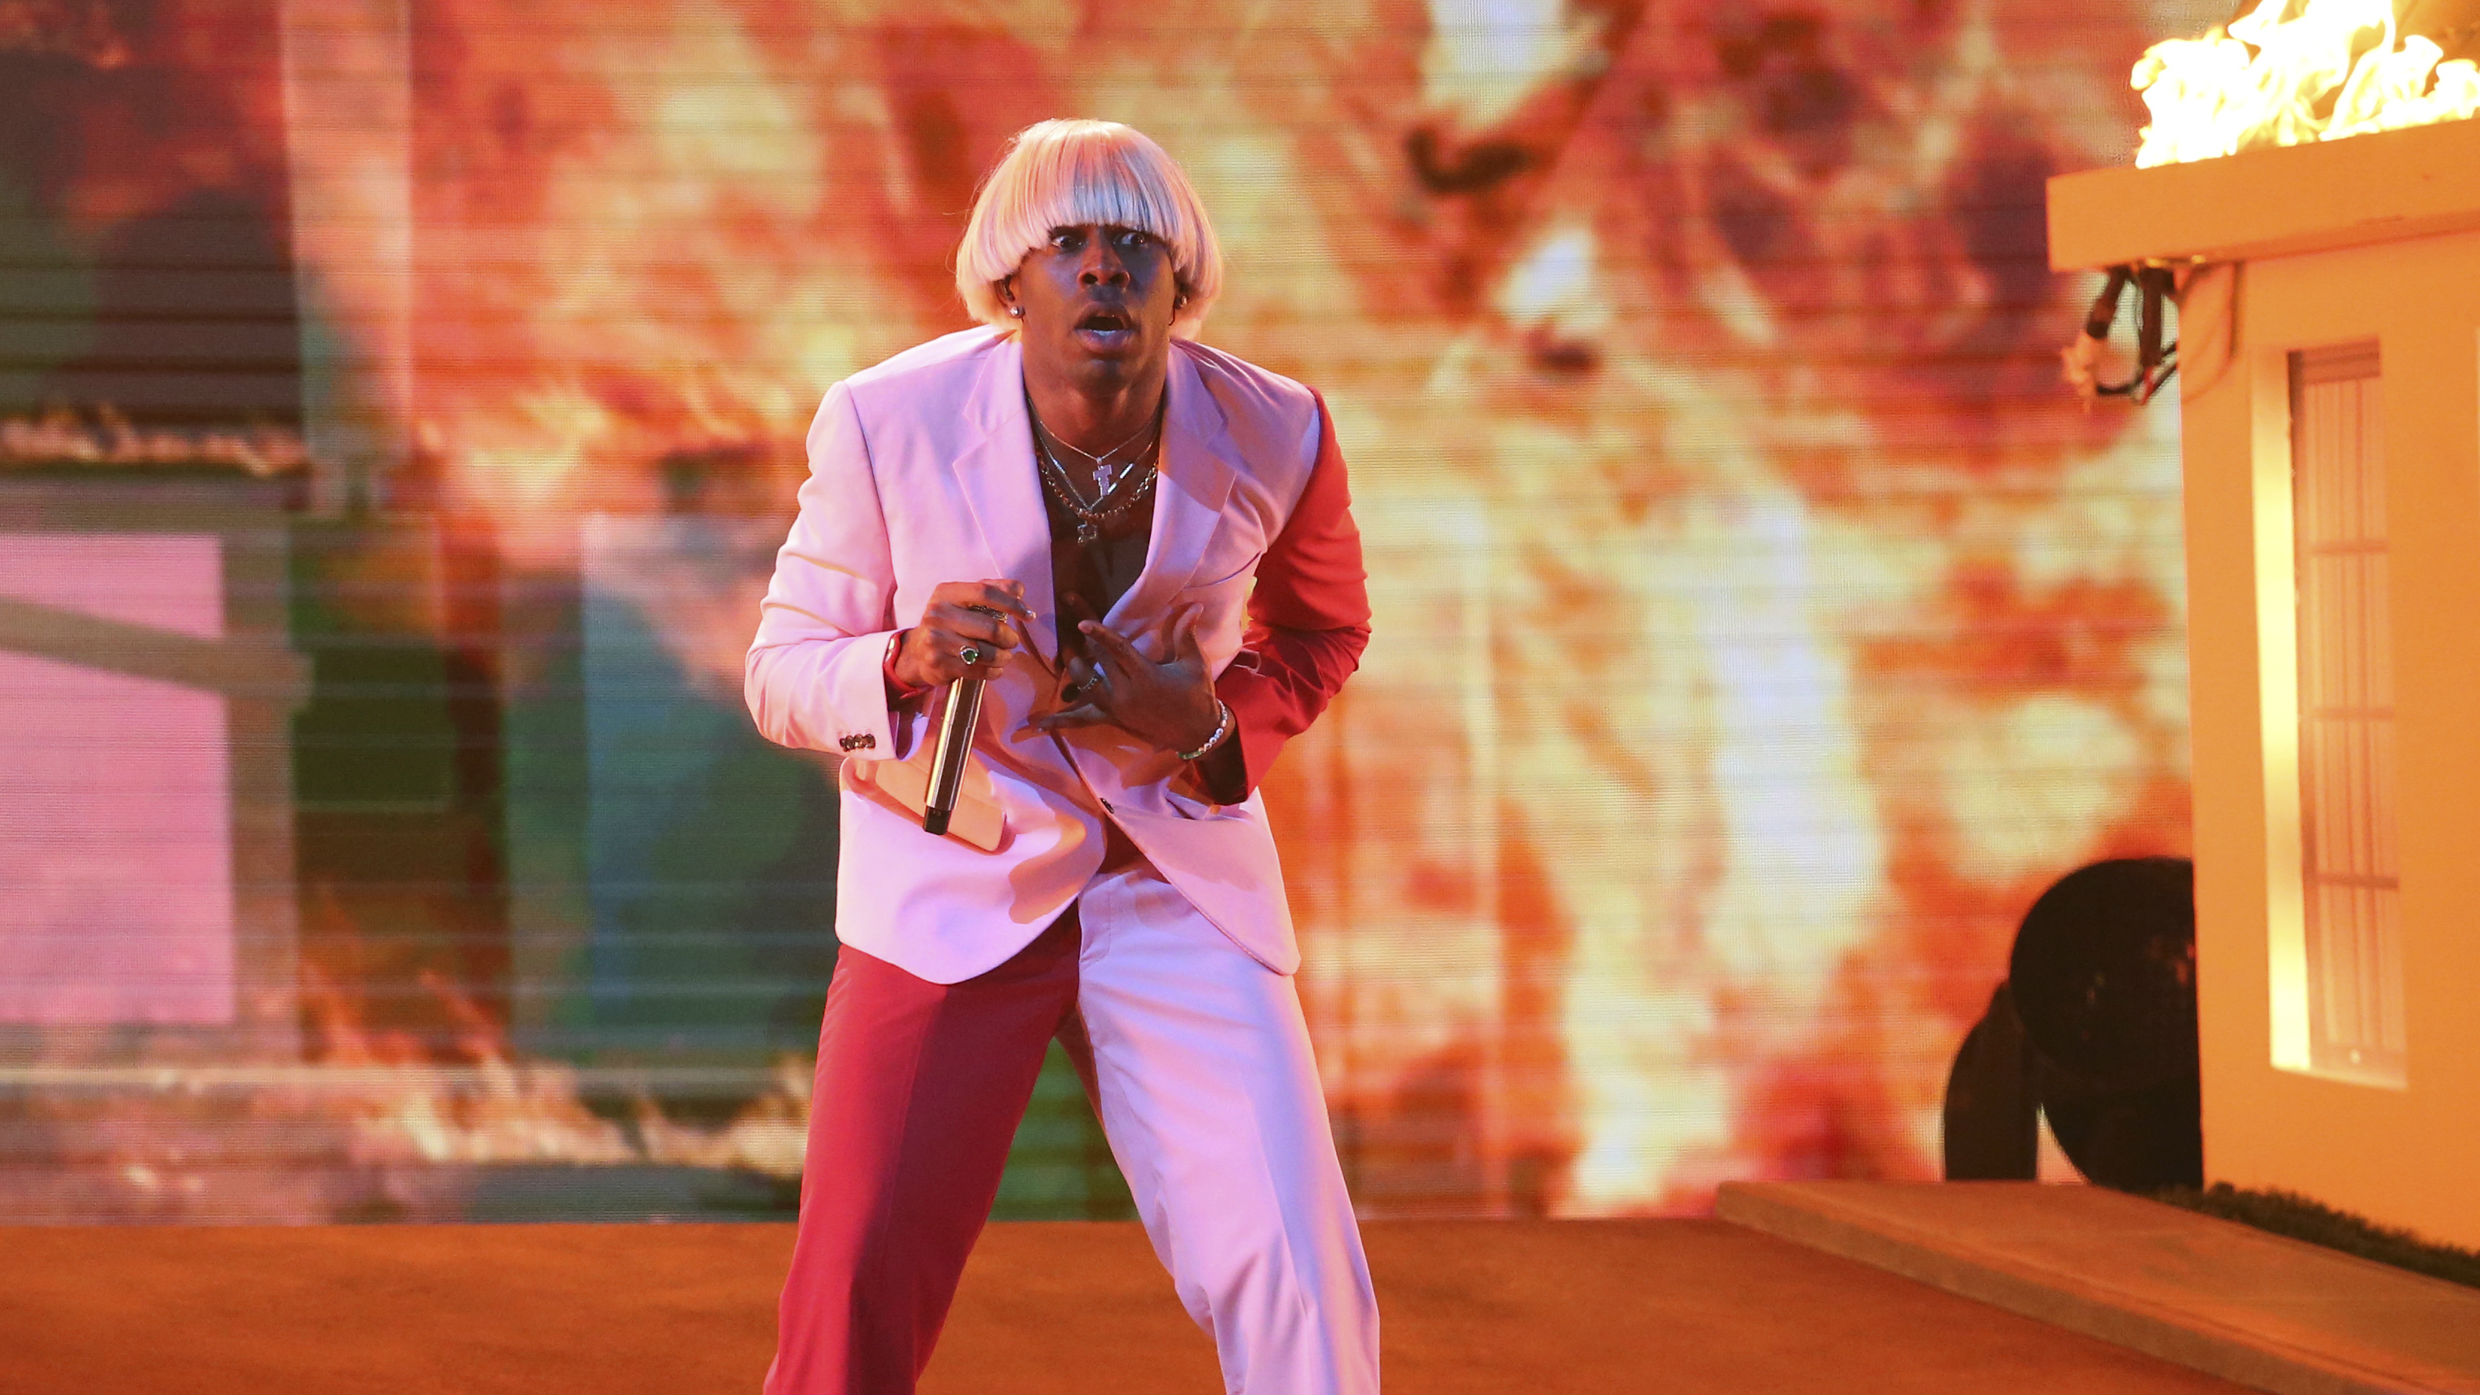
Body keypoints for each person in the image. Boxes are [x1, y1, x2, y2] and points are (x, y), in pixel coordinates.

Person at [744, 118, 1381, 1395]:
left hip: (1169, 873)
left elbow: (1321, 631)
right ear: (1009, 277)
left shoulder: (1280, 430)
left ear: (1180, 280)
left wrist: (1202, 725)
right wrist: (905, 661)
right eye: (1068, 243)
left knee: (1299, 1269)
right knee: (858, 1277)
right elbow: (778, 673)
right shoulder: (885, 421)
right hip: (952, 877)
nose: (1104, 268)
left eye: (1135, 244)